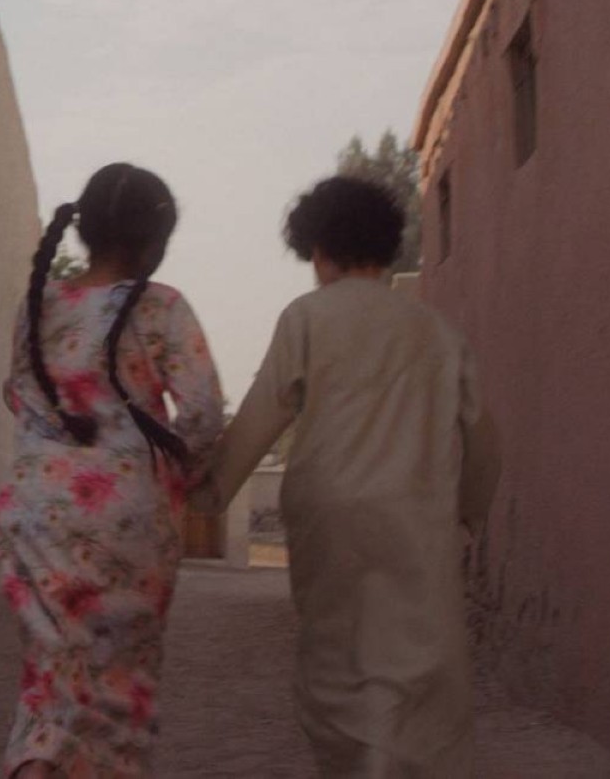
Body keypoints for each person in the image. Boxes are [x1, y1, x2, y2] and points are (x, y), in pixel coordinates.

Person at [196, 175, 501, 777]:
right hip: (416, 516)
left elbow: (261, 416)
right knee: (417, 657)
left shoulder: (306, 317)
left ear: (318, 251)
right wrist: (468, 514)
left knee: (337, 656)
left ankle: (358, 761)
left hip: (327, 514)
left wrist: (210, 493)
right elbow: (483, 440)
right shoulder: (438, 332)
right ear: (386, 249)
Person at [0, 163, 224, 778]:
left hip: (34, 520)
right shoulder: (164, 308)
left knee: (50, 685)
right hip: (128, 523)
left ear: (84, 228)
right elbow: (202, 414)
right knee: (117, 686)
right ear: (156, 241)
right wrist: (183, 480)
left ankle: (38, 763)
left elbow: (19, 397)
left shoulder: (37, 306)